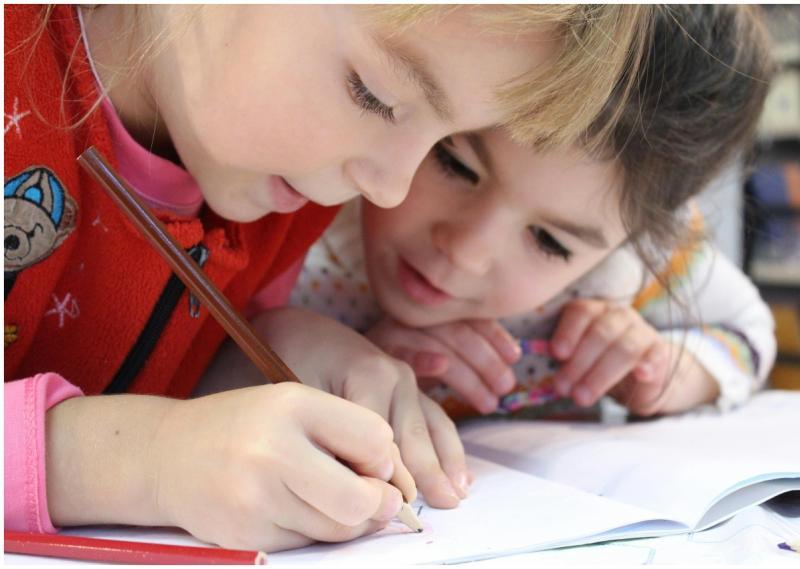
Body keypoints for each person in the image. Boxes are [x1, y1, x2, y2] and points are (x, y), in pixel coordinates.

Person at [4, 4, 653, 552]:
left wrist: (261, 355)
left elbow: (134, 374)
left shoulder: (284, 190)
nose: (391, 188)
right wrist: (146, 461)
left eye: (443, 140)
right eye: (376, 95)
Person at [289, 5, 777, 420]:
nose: (466, 252)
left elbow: (749, 331)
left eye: (550, 242)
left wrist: (671, 370)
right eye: (455, 165)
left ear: (635, 240)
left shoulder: (637, 267)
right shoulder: (302, 198)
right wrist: (323, 358)